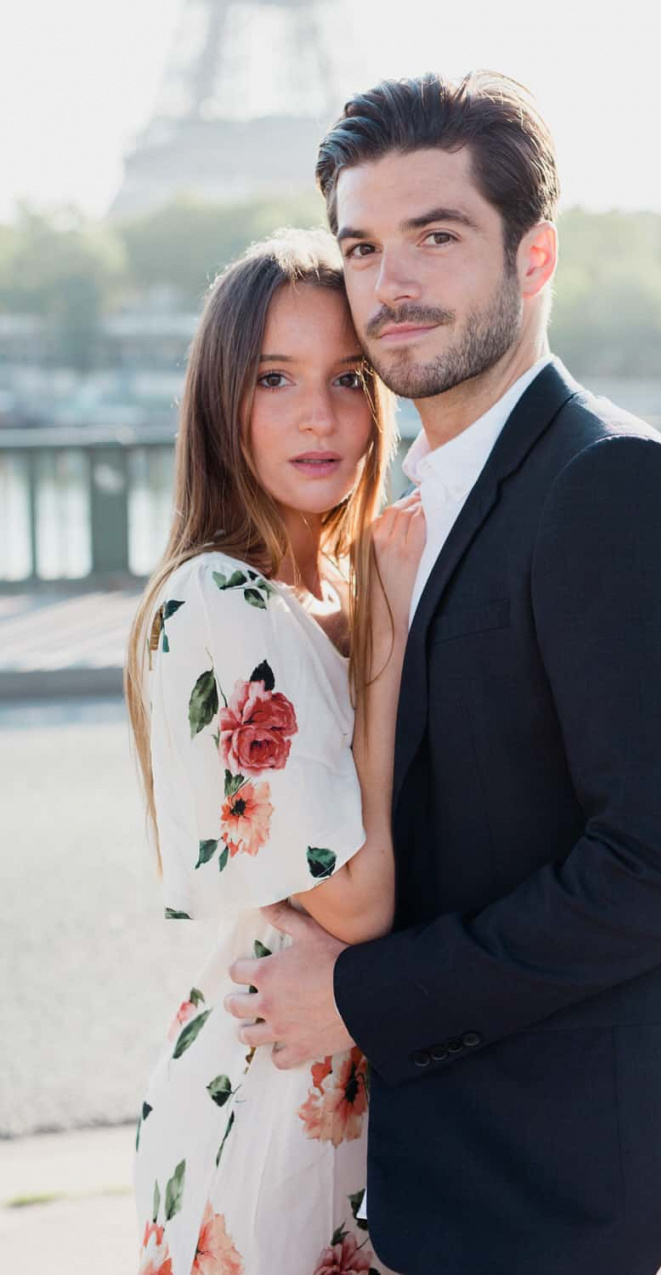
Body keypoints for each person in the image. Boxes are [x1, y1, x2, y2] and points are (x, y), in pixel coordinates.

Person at [225, 73, 661, 1275]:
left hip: (559, 1181)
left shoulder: (609, 486)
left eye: (437, 236)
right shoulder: (420, 505)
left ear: (534, 256)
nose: (390, 285)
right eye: (363, 246)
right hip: (455, 1163)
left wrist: (361, 995)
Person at [124, 227, 424, 1275]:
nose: (319, 416)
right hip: (273, 1105)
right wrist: (385, 647)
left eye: (348, 377)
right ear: (223, 402)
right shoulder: (224, 598)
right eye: (274, 378)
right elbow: (358, 903)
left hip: (346, 1085)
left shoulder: (332, 592)